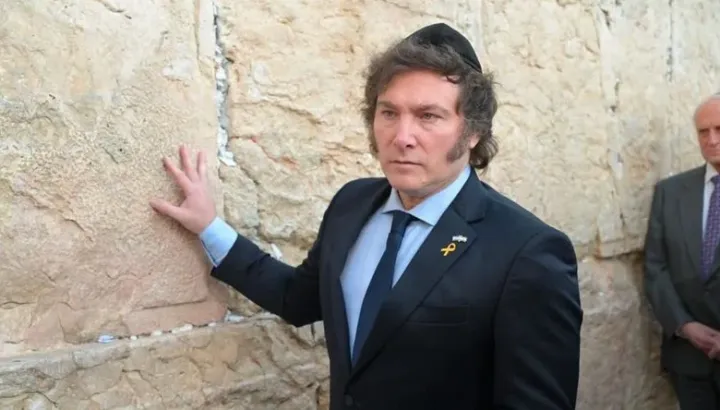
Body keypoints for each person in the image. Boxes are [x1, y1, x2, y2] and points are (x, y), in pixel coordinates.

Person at [150, 23, 583, 410]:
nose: (402, 136)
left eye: (428, 116)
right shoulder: (352, 205)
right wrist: (209, 227)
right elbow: (298, 299)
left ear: (473, 131)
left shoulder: (527, 252)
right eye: (389, 112)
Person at [644, 91, 720, 409]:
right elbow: (655, 266)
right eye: (703, 131)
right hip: (689, 360)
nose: (711, 140)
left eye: (719, 129)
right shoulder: (670, 192)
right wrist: (685, 326)